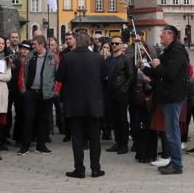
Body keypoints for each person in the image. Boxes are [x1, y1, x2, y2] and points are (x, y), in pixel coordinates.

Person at [138, 26, 189, 175]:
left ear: (171, 36)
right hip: (167, 96)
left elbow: (170, 74)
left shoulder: (177, 51)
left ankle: (177, 164)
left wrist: (158, 66)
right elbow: (159, 72)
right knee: (170, 131)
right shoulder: (168, 51)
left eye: (163, 34)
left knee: (172, 132)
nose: (160, 36)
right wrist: (145, 68)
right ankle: (174, 162)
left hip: (173, 96)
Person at [55, 31, 105, 178]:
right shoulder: (98, 58)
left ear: (76, 42)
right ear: (89, 42)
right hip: (94, 104)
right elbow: (104, 77)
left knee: (77, 138)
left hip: (74, 103)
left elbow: (59, 78)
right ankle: (95, 168)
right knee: (95, 138)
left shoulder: (68, 57)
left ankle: (79, 169)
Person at [18, 36, 55, 155]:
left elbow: (58, 76)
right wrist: (23, 89)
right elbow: (22, 72)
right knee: (28, 119)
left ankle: (41, 145)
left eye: (34, 44)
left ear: (41, 44)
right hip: (30, 93)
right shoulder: (30, 56)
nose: (32, 46)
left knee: (43, 120)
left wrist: (55, 91)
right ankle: (25, 146)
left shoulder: (52, 57)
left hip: (45, 94)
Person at [103, 35, 134, 155]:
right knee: (114, 120)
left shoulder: (126, 59)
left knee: (122, 120)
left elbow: (131, 76)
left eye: (117, 43)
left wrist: (124, 89)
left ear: (121, 45)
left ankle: (123, 144)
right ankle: (117, 142)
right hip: (110, 93)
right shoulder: (108, 60)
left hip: (121, 94)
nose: (114, 45)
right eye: (113, 43)